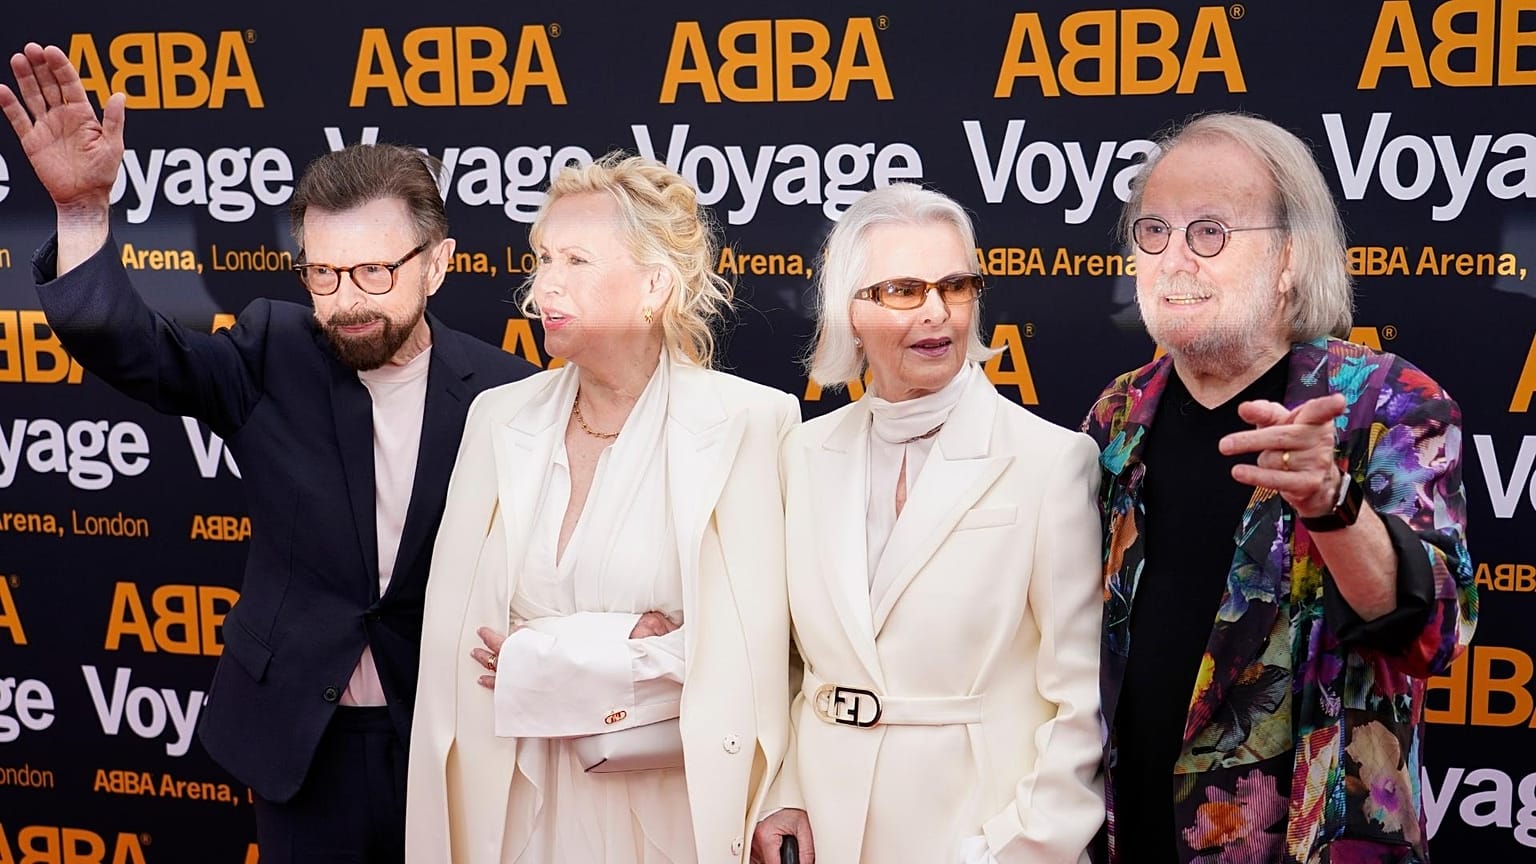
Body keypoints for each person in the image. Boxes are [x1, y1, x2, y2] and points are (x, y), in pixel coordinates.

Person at [0, 43, 536, 863]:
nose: (345, 301)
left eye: (372, 271)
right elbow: (130, 347)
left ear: (438, 266)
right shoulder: (271, 349)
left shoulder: (507, 389)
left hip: (449, 736)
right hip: (297, 740)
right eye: (322, 274)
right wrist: (80, 215)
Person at [1082, 112, 1476, 864]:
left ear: (1291, 257)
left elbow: (1438, 635)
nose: (1174, 259)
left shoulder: (1387, 403)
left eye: (1210, 232)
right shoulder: (1115, 416)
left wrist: (1333, 504)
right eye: (1154, 231)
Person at [406, 152, 801, 864]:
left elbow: (756, 657)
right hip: (516, 807)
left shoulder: (752, 423)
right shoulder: (498, 419)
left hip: (670, 814)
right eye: (543, 257)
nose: (543, 285)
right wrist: (636, 645)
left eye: (576, 261)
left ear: (655, 285)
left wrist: (556, 654)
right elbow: (462, 653)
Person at [753, 183, 1104, 864]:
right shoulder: (801, 452)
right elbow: (789, 664)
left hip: (980, 829)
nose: (938, 313)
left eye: (956, 285)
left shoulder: (1050, 460)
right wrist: (785, 790)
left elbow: (1082, 698)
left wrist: (1019, 848)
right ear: (849, 312)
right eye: (903, 291)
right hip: (827, 829)